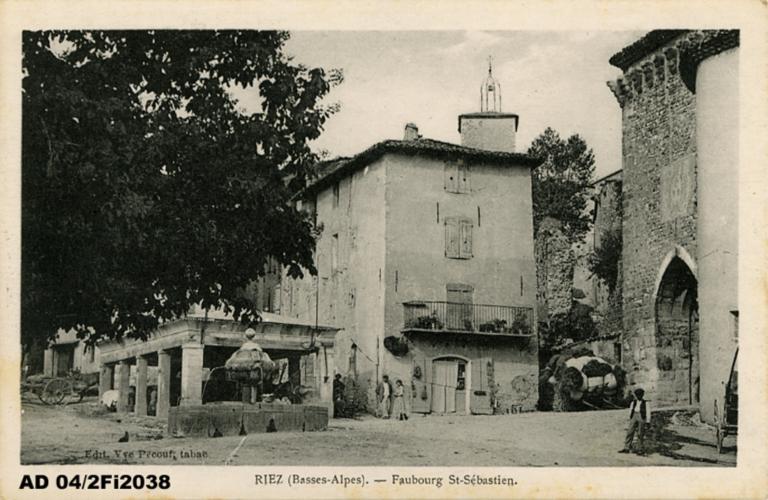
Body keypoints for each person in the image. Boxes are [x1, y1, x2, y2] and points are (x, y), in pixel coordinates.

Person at [619, 388, 651, 455]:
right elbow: (631, 410)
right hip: (634, 415)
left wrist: (648, 421)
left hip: (641, 416)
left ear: (642, 395)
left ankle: (639, 449)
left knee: (640, 433)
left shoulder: (646, 403)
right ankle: (626, 448)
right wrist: (630, 418)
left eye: (640, 395)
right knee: (630, 432)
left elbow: (648, 412)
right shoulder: (633, 402)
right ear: (636, 395)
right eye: (637, 395)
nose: (639, 396)